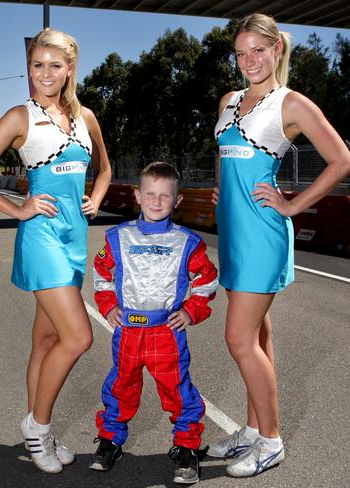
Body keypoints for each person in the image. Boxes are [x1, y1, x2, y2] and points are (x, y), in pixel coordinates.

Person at [0, 28, 112, 474]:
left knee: (47, 340)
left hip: (75, 237)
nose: (44, 73)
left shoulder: (86, 117)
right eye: (36, 64)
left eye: (54, 65)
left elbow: (105, 168)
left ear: (70, 69)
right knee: (79, 337)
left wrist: (98, 197)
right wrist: (18, 208)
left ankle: (39, 433)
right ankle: (37, 426)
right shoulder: (18, 117)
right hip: (42, 237)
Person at [209, 13, 350, 477]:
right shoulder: (230, 100)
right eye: (241, 52)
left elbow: (340, 160)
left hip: (263, 234)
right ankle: (251, 430)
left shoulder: (291, 104)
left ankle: (271, 441)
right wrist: (221, 188)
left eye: (258, 50)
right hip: (231, 232)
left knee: (237, 338)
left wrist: (292, 206)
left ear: (276, 51)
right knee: (258, 334)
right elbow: (224, 156)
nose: (249, 60)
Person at [90, 162, 218, 485]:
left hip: (166, 333)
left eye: (165, 196)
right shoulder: (118, 236)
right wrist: (107, 307)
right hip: (128, 331)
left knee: (178, 390)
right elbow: (102, 275)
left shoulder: (187, 242)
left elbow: (207, 278)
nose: (157, 201)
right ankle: (111, 440)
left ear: (177, 201)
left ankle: (187, 448)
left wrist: (190, 311)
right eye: (150, 194)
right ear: (137, 195)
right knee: (120, 386)